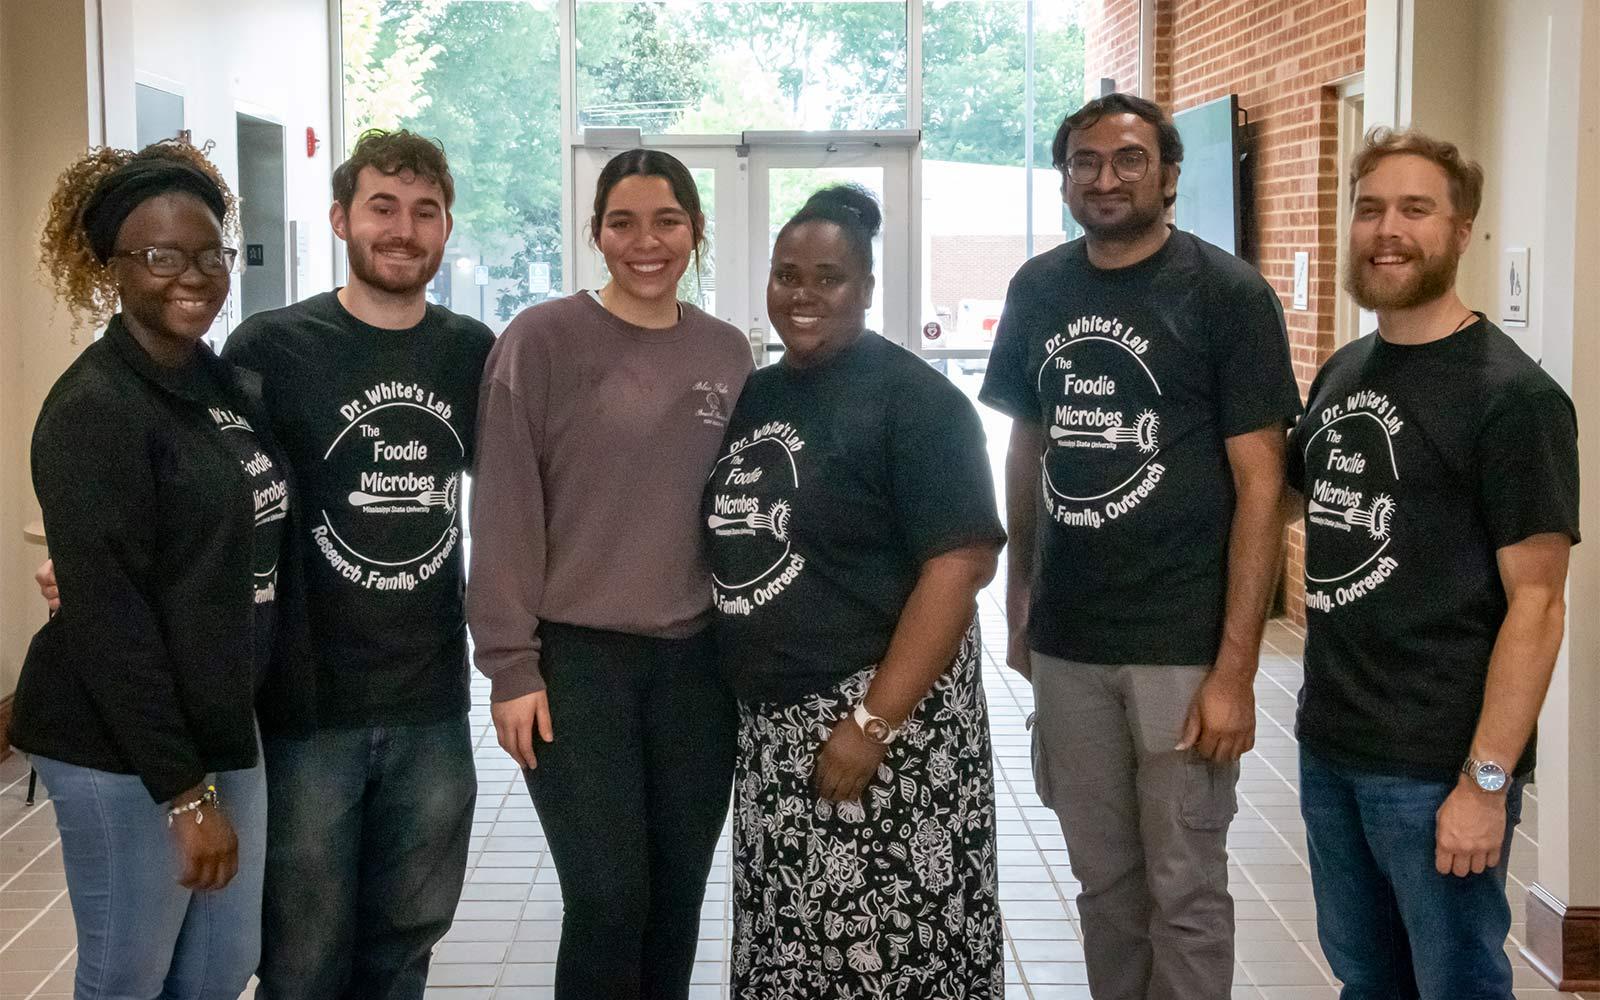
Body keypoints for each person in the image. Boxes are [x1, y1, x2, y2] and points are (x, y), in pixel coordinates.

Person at [979, 92, 1301, 1000]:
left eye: (1128, 160)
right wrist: (1019, 598)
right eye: (1086, 161)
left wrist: (1235, 669)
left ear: (1167, 173)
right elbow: (1027, 446)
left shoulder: (1227, 295)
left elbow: (1262, 487)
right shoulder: (1038, 289)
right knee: (1105, 886)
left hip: (1182, 651)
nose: (1106, 177)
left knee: (1185, 888)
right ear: (1065, 177)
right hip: (1071, 644)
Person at [1287, 127, 1579, 1000]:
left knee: (1456, 984)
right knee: (1366, 980)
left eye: (1416, 209)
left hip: (1435, 766)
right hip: (1331, 745)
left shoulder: (1515, 399)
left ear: (1461, 232)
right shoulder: (1344, 370)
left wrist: (1485, 785)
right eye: (1370, 208)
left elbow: (1540, 606)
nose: (1387, 229)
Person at [10, 140, 299, 998]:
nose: (193, 275)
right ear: (112, 267)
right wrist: (183, 794)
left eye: (210, 253)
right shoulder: (94, 409)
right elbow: (109, 621)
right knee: (131, 972)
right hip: (118, 743)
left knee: (220, 962)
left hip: (220, 716)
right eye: (161, 256)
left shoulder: (215, 383)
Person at [706, 184, 1007, 998]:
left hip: (881, 734)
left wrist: (872, 723)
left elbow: (960, 565)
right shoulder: (761, 393)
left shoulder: (918, 403)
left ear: (867, 287)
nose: (803, 294)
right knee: (795, 951)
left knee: (890, 955)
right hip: (776, 738)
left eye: (828, 277)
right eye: (786, 274)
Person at [467, 148, 753, 1000]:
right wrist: (510, 666)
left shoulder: (727, 352)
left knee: (676, 898)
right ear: (596, 234)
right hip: (577, 664)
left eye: (667, 220)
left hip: (696, 667)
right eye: (622, 222)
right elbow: (506, 509)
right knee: (608, 898)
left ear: (696, 231)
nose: (646, 241)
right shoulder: (542, 339)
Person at [223, 129, 493, 998]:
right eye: (382, 207)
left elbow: (531, 495)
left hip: (433, 704)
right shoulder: (270, 347)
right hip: (307, 709)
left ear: (447, 229)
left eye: (425, 212)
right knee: (301, 959)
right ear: (342, 218)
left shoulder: (472, 351)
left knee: (403, 950)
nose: (403, 229)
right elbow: (213, 488)